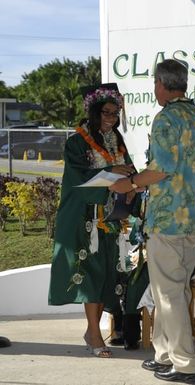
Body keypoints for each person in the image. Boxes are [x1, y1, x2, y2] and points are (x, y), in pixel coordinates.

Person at [110, 59, 195, 382]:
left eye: (155, 83)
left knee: (168, 294)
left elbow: (161, 170)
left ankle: (187, 365)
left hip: (168, 220)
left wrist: (127, 185)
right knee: (175, 291)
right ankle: (165, 353)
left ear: (162, 84)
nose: (153, 88)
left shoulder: (166, 119)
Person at [48, 83, 137, 358]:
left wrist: (132, 186)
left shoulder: (116, 140)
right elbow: (78, 178)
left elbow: (128, 168)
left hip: (109, 218)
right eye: (106, 113)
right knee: (87, 275)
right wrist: (112, 172)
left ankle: (92, 330)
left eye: (115, 113)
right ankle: (94, 332)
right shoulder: (77, 142)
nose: (111, 118)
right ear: (94, 112)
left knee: (103, 276)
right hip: (83, 218)